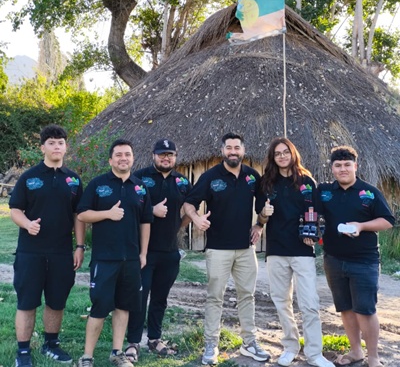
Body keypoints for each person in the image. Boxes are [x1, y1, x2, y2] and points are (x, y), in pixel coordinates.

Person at [183, 132, 270, 366]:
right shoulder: (210, 177)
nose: (233, 152)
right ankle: (211, 344)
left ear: (243, 150)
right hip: (218, 249)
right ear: (222, 150)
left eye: (236, 148)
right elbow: (189, 203)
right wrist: (196, 218)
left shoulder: (252, 176)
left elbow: (263, 208)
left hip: (246, 249)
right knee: (215, 297)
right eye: (229, 148)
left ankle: (249, 343)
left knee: (247, 296)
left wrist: (260, 224)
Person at [9, 124, 85, 367]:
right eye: (51, 143)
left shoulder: (73, 180)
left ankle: (51, 344)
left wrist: (80, 246)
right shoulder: (29, 177)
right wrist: (27, 224)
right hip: (30, 252)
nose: (56, 147)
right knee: (27, 302)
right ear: (42, 147)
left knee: (56, 301)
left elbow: (79, 215)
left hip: (61, 252)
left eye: (60, 143)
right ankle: (23, 351)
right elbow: (15, 209)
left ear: (66, 147)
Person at [256, 137, 334, 367]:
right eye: (277, 153)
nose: (282, 156)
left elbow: (317, 214)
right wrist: (263, 214)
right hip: (276, 249)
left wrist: (314, 233)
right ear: (273, 157)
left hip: (302, 250)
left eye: (285, 152)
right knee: (282, 302)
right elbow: (261, 218)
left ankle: (314, 353)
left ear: (293, 154)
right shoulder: (266, 183)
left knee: (309, 303)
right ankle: (290, 347)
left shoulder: (307, 181)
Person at [76, 139, 153, 367]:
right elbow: (82, 214)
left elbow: (146, 222)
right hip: (104, 258)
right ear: (110, 160)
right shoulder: (98, 184)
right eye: (118, 155)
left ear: (133, 158)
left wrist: (143, 253)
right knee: (100, 307)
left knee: (123, 306)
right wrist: (107, 214)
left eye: (127, 154)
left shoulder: (140, 187)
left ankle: (117, 353)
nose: (123, 158)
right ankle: (87, 356)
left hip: (131, 259)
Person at [319, 146, 395, 367]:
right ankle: (356, 352)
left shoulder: (369, 192)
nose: (343, 169)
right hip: (333, 259)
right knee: (345, 308)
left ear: (355, 166)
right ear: (332, 168)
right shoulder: (324, 192)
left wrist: (361, 226)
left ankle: (373, 357)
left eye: (347, 165)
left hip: (364, 261)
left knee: (365, 310)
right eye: (338, 165)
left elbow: (387, 221)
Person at [125, 139, 192, 361]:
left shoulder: (182, 182)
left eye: (170, 154)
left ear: (175, 157)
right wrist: (151, 210)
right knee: (139, 296)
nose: (166, 158)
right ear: (153, 155)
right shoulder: (139, 178)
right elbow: (127, 207)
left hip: (170, 251)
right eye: (162, 154)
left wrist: (178, 226)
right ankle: (133, 342)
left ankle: (154, 339)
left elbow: (190, 210)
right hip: (143, 251)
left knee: (160, 298)